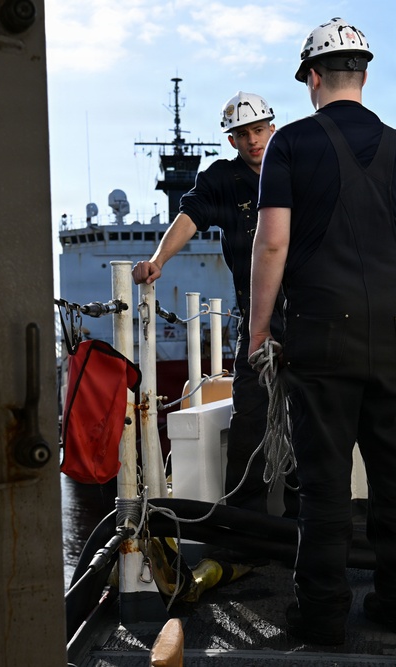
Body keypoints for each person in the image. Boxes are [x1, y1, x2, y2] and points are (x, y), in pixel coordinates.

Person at [247, 17, 396, 645]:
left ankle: (321, 619)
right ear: (366, 75)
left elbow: (272, 244)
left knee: (323, 483)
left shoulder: (289, 147)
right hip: (393, 335)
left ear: (313, 78)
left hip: (322, 335)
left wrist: (259, 330)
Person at [132, 92, 298, 522]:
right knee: (250, 417)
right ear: (232, 141)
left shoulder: (296, 166)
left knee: (308, 413)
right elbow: (191, 215)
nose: (253, 141)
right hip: (258, 318)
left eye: (259, 130)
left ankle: (305, 515)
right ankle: (246, 521)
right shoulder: (223, 179)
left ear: (272, 129)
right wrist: (158, 260)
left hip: (305, 313)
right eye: (242, 134)